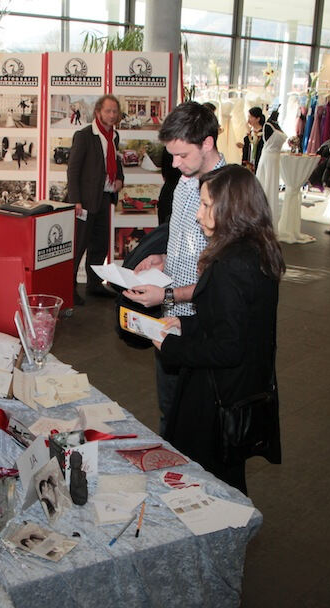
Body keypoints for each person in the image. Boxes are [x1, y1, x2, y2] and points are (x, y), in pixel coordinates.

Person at [154, 165, 284, 493]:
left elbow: (228, 346)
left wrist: (170, 345)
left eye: (205, 205)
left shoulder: (229, 265)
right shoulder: (257, 250)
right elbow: (238, 321)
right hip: (241, 387)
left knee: (204, 479)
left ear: (230, 209)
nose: (198, 215)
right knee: (226, 477)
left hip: (216, 395)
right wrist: (186, 322)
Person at [123, 101, 225, 433]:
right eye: (172, 155)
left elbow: (224, 280)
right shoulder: (183, 181)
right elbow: (189, 244)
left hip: (202, 321)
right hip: (170, 309)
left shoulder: (229, 193)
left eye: (182, 155)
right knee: (169, 405)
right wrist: (163, 259)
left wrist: (167, 293)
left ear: (207, 143)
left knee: (201, 416)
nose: (175, 163)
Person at [67, 94, 124, 305]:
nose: (112, 115)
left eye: (115, 111)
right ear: (98, 112)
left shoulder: (114, 137)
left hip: (104, 197)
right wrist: (76, 201)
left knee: (99, 244)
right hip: (84, 200)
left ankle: (93, 285)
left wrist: (120, 178)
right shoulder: (84, 135)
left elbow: (116, 162)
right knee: (79, 246)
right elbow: (73, 171)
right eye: (108, 111)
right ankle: (69, 288)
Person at [255, 109, 287, 225]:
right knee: (266, 186)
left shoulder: (276, 124)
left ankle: (270, 219)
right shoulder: (268, 125)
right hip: (268, 159)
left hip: (274, 159)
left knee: (272, 187)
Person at [238, 107, 264, 172]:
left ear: (258, 119)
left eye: (251, 117)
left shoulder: (263, 134)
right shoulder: (249, 134)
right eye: (248, 117)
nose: (248, 120)